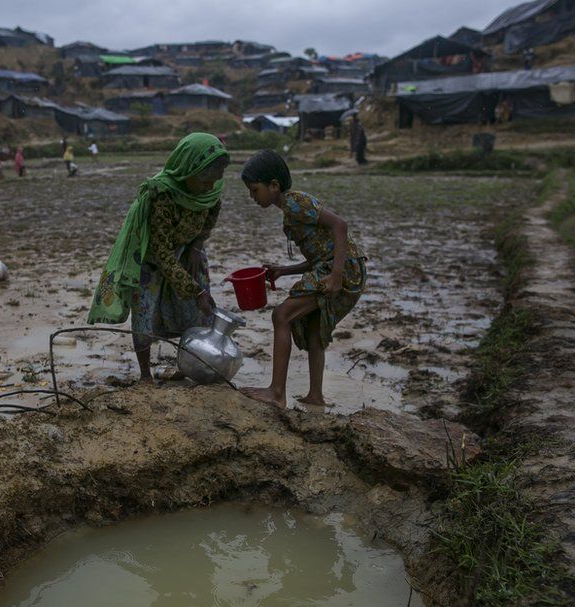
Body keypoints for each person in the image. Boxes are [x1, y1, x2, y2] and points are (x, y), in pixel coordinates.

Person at [88, 132, 230, 381]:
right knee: (144, 310)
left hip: (187, 250)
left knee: (195, 314)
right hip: (152, 256)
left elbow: (212, 211)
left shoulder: (211, 188)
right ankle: (145, 375)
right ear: (189, 171)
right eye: (205, 182)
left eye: (215, 181)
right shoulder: (162, 195)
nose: (210, 187)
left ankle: (187, 365)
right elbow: (162, 253)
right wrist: (195, 290)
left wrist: (196, 246)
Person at [239, 149, 367, 408]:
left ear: (274, 186)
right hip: (334, 267)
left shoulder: (296, 203)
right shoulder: (290, 209)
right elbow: (320, 255)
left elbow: (340, 225)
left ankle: (276, 393)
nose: (252, 197)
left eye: (254, 190)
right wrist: (283, 271)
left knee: (281, 315)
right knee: (313, 328)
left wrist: (336, 276)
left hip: (345, 269)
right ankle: (315, 396)